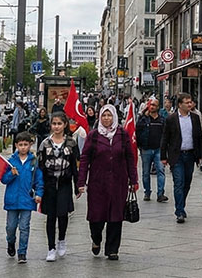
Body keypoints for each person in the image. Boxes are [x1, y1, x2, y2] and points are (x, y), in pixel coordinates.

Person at [79, 104, 138, 261]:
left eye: (109, 115)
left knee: (116, 216)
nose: (106, 119)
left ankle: (112, 249)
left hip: (119, 181)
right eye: (104, 116)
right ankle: (96, 238)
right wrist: (81, 181)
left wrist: (133, 179)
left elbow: (129, 158)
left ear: (114, 117)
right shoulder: (94, 135)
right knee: (96, 216)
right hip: (98, 182)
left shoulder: (122, 134)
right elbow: (84, 159)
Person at [37, 112, 81, 261]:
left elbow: (75, 165)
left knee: (62, 214)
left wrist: (77, 185)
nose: (56, 127)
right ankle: (51, 247)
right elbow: (40, 166)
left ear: (65, 125)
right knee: (51, 216)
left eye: (59, 124)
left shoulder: (71, 143)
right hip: (49, 183)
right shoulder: (45, 143)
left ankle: (61, 239)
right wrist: (38, 187)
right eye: (54, 124)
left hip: (65, 182)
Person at [160, 92, 202, 223]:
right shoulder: (171, 119)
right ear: (180, 104)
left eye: (190, 102)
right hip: (177, 155)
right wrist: (164, 156)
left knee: (187, 183)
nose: (190, 104)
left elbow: (198, 138)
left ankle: (182, 204)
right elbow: (165, 138)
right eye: (187, 102)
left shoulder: (195, 118)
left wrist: (201, 155)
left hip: (190, 154)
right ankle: (179, 211)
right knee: (178, 183)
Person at [1, 131, 43, 264]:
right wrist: (11, 174)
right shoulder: (11, 162)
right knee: (11, 227)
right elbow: (3, 179)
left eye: (26, 145)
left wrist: (39, 194)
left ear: (30, 145)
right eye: (21, 145)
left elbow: (39, 180)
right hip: (12, 200)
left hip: (27, 200)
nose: (23, 147)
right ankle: (11, 242)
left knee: (24, 227)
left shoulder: (34, 162)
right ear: (16, 145)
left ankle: (22, 252)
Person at [135, 97, 167, 202]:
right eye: (150, 105)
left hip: (159, 149)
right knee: (145, 172)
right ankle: (147, 192)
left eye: (154, 105)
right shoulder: (143, 119)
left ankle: (160, 193)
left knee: (161, 171)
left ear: (158, 107)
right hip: (146, 149)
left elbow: (166, 134)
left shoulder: (162, 120)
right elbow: (137, 131)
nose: (151, 107)